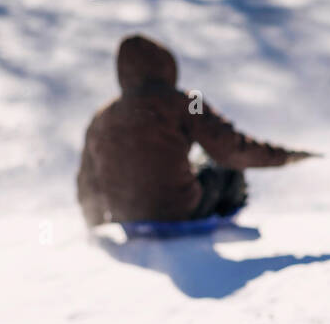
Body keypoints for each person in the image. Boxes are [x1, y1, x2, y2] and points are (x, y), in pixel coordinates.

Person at [76, 34, 316, 228]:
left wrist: (95, 222)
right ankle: (221, 228)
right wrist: (285, 157)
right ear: (165, 66)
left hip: (126, 216)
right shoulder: (186, 101)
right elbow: (230, 149)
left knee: (199, 161)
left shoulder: (103, 116)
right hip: (181, 210)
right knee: (224, 167)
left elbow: (87, 179)